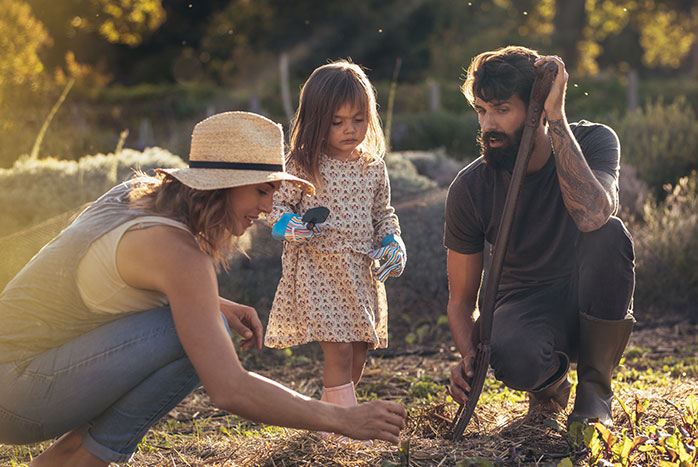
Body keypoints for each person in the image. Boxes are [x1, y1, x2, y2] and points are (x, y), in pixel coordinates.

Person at [0, 111, 406, 466]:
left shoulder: (133, 197)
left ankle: (68, 459)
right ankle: (80, 459)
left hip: (16, 377)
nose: (269, 207)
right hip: (15, 394)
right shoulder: (179, 254)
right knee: (196, 336)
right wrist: (341, 418)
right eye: (262, 190)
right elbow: (229, 389)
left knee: (202, 321)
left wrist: (213, 302)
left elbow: (106, 276)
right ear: (222, 186)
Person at [445, 46, 635, 427]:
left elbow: (593, 215)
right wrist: (468, 356)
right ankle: (550, 387)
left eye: (502, 110)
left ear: (537, 108)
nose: (488, 125)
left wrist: (556, 117)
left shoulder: (595, 142)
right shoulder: (470, 188)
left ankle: (595, 393)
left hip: (588, 297)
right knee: (512, 352)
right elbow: (461, 300)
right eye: (481, 111)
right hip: (524, 306)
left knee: (610, 233)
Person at [265, 60, 406, 441]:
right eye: (337, 121)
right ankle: (344, 434)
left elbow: (383, 213)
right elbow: (276, 206)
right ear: (316, 120)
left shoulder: (372, 167)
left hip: (360, 271)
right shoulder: (303, 164)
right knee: (339, 351)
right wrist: (289, 225)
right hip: (319, 268)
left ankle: (324, 426)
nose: (350, 130)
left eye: (358, 120)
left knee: (357, 354)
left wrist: (392, 240)